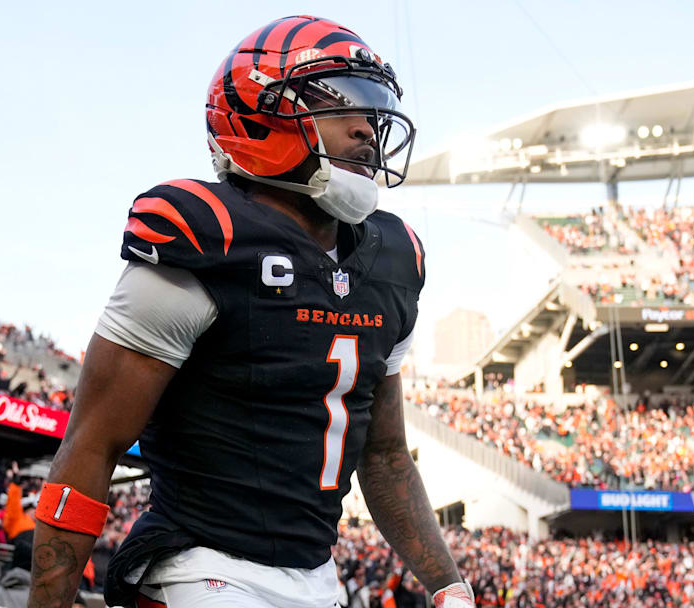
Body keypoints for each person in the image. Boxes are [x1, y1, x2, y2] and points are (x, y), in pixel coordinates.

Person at [28, 15, 474, 608]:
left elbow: (386, 452)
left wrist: (449, 586)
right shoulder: (204, 235)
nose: (367, 129)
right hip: (199, 565)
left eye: (374, 111)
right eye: (342, 104)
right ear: (260, 111)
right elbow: (92, 444)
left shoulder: (393, 261)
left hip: (317, 574)